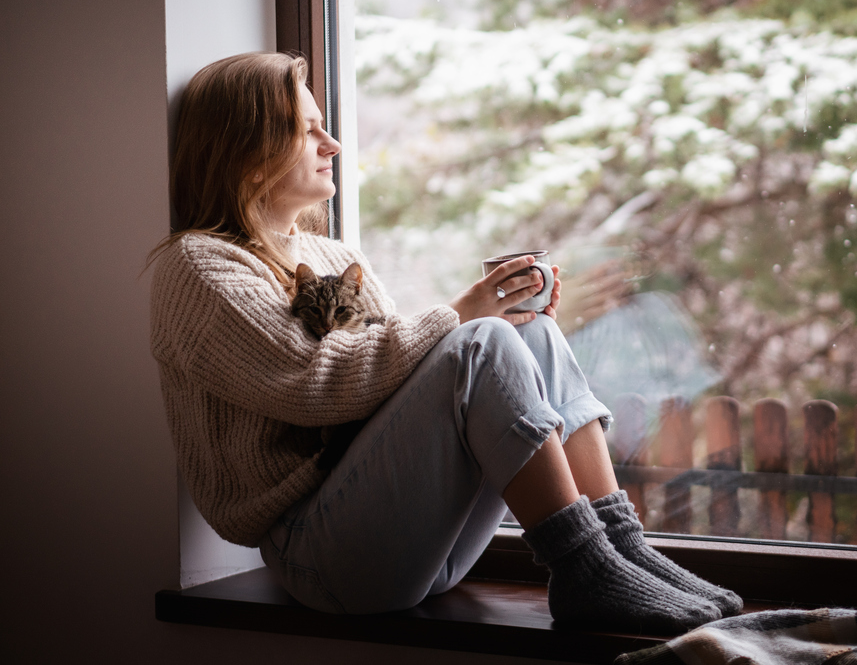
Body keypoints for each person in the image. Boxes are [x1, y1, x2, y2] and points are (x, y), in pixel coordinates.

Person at [148, 52, 741, 629]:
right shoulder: (200, 266)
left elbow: (396, 379)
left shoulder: (334, 256)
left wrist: (508, 317)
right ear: (251, 157)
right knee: (482, 340)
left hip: (419, 546)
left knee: (524, 333)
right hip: (321, 557)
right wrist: (463, 314)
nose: (332, 145)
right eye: (308, 132)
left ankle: (619, 548)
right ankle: (585, 566)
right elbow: (319, 385)